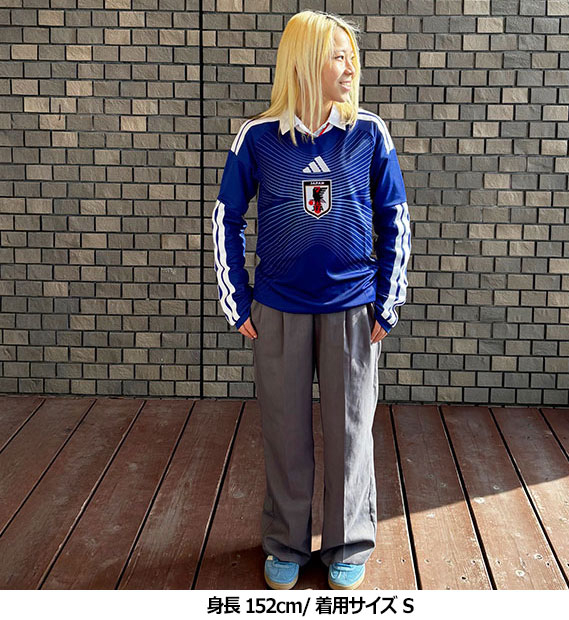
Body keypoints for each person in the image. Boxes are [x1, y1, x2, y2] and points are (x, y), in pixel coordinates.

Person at [212, 9, 411, 590]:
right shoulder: (258, 138)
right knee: (285, 433)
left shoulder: (368, 133)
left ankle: (349, 542)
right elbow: (226, 216)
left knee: (350, 432)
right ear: (304, 62)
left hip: (353, 310)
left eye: (352, 57)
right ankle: (285, 543)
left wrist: (387, 300)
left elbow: (395, 217)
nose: (350, 69)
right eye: (338, 57)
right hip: (278, 311)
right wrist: (238, 301)